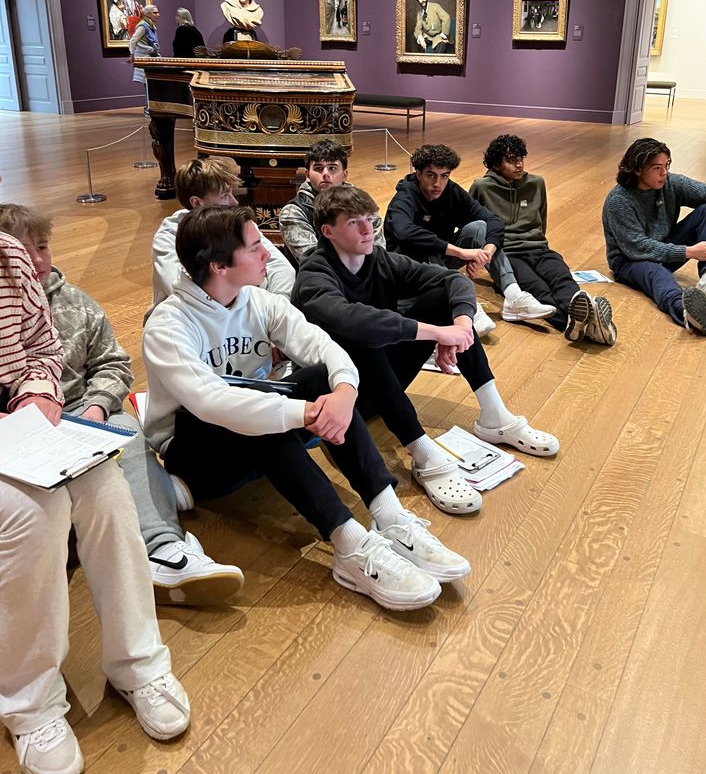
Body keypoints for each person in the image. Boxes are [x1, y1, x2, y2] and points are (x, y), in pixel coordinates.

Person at [143, 205, 471, 611]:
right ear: (219, 266)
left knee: (322, 376)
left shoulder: (257, 300)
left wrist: (344, 393)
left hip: (258, 430)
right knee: (262, 414)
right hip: (197, 457)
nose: (268, 252)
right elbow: (215, 403)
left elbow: (321, 345)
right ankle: (349, 545)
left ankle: (390, 515)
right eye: (254, 247)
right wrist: (308, 414)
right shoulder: (168, 324)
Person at [0, 232, 189, 774]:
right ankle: (29, 702)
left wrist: (39, 394)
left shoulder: (8, 254)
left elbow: (40, 347)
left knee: (106, 484)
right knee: (33, 515)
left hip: (24, 424)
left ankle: (139, 663)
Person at [0, 203, 244, 606]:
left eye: (43, 247)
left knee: (128, 435)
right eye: (24, 252)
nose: (38, 260)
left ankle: (165, 548)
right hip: (21, 426)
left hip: (81, 410)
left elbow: (112, 363)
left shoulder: (76, 303)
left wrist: (97, 407)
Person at [294, 185, 561, 517]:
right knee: (364, 337)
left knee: (439, 301)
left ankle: (495, 415)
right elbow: (352, 321)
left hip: (381, 385)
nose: (367, 230)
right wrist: (437, 333)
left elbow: (453, 281)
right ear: (327, 231)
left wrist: (461, 326)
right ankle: (422, 452)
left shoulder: (377, 259)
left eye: (369, 219)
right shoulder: (314, 273)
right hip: (337, 400)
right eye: (353, 223)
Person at [384, 143, 557, 335]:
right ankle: (467, 307)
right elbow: (404, 232)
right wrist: (460, 252)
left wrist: (486, 253)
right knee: (425, 244)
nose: (438, 184)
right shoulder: (405, 196)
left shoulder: (451, 191)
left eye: (444, 176)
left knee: (480, 227)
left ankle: (513, 296)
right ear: (418, 174)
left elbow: (493, 220)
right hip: (407, 267)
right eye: (431, 175)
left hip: (441, 262)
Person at [469, 134, 616, 345]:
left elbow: (541, 220)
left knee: (563, 279)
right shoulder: (482, 186)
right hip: (509, 254)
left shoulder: (536, 183)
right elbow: (472, 222)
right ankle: (579, 325)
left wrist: (539, 242)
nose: (518, 165)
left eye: (520, 158)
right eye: (511, 160)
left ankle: (586, 319)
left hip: (539, 248)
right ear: (496, 164)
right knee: (538, 290)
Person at [602, 137, 706, 336]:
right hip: (629, 260)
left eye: (666, 166)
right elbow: (637, 247)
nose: (664, 173)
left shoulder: (670, 183)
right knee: (658, 274)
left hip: (664, 246)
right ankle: (685, 311)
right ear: (638, 169)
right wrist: (689, 251)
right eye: (657, 168)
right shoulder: (619, 201)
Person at [149, 156, 295, 315]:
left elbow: (282, 268)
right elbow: (180, 290)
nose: (234, 202)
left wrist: (275, 311)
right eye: (224, 196)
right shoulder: (169, 236)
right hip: (188, 322)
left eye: (232, 193)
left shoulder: (239, 224)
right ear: (197, 203)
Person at [278, 138, 384, 264]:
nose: (325, 174)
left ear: (345, 174)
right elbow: (315, 262)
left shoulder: (362, 204)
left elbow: (378, 255)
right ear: (307, 174)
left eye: (332, 168)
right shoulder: (293, 212)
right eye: (318, 168)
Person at [129, 4, 160, 86]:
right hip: (145, 57)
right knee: (148, 85)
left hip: (151, 57)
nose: (158, 15)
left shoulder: (151, 25)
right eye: (155, 13)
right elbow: (133, 41)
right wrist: (132, 54)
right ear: (148, 14)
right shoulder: (143, 26)